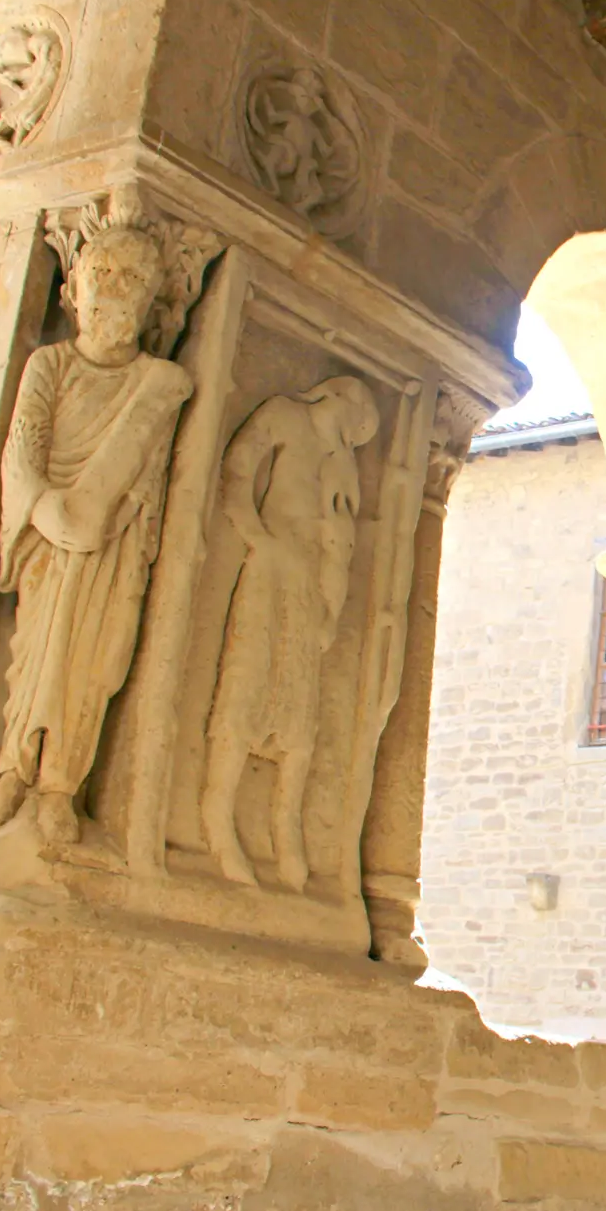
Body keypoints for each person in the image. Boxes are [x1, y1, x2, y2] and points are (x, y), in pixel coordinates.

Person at [0, 221, 192, 851]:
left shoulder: (155, 383)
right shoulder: (50, 364)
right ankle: (11, 773)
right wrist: (44, 509)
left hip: (113, 542)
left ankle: (60, 785)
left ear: (150, 299)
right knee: (37, 653)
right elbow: (21, 451)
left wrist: (118, 512)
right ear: (71, 292)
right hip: (49, 538)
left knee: (96, 660)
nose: (115, 293)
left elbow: (152, 474)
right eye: (101, 277)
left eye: (132, 282)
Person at [199, 376, 379, 890]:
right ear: (336, 395)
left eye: (361, 434)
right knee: (245, 683)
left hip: (306, 590)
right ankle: (217, 814)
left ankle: (285, 827)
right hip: (270, 567)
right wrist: (259, 539)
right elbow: (236, 473)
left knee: (301, 716)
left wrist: (330, 608)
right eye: (356, 422)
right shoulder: (282, 413)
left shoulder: (342, 464)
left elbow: (339, 542)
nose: (353, 436)